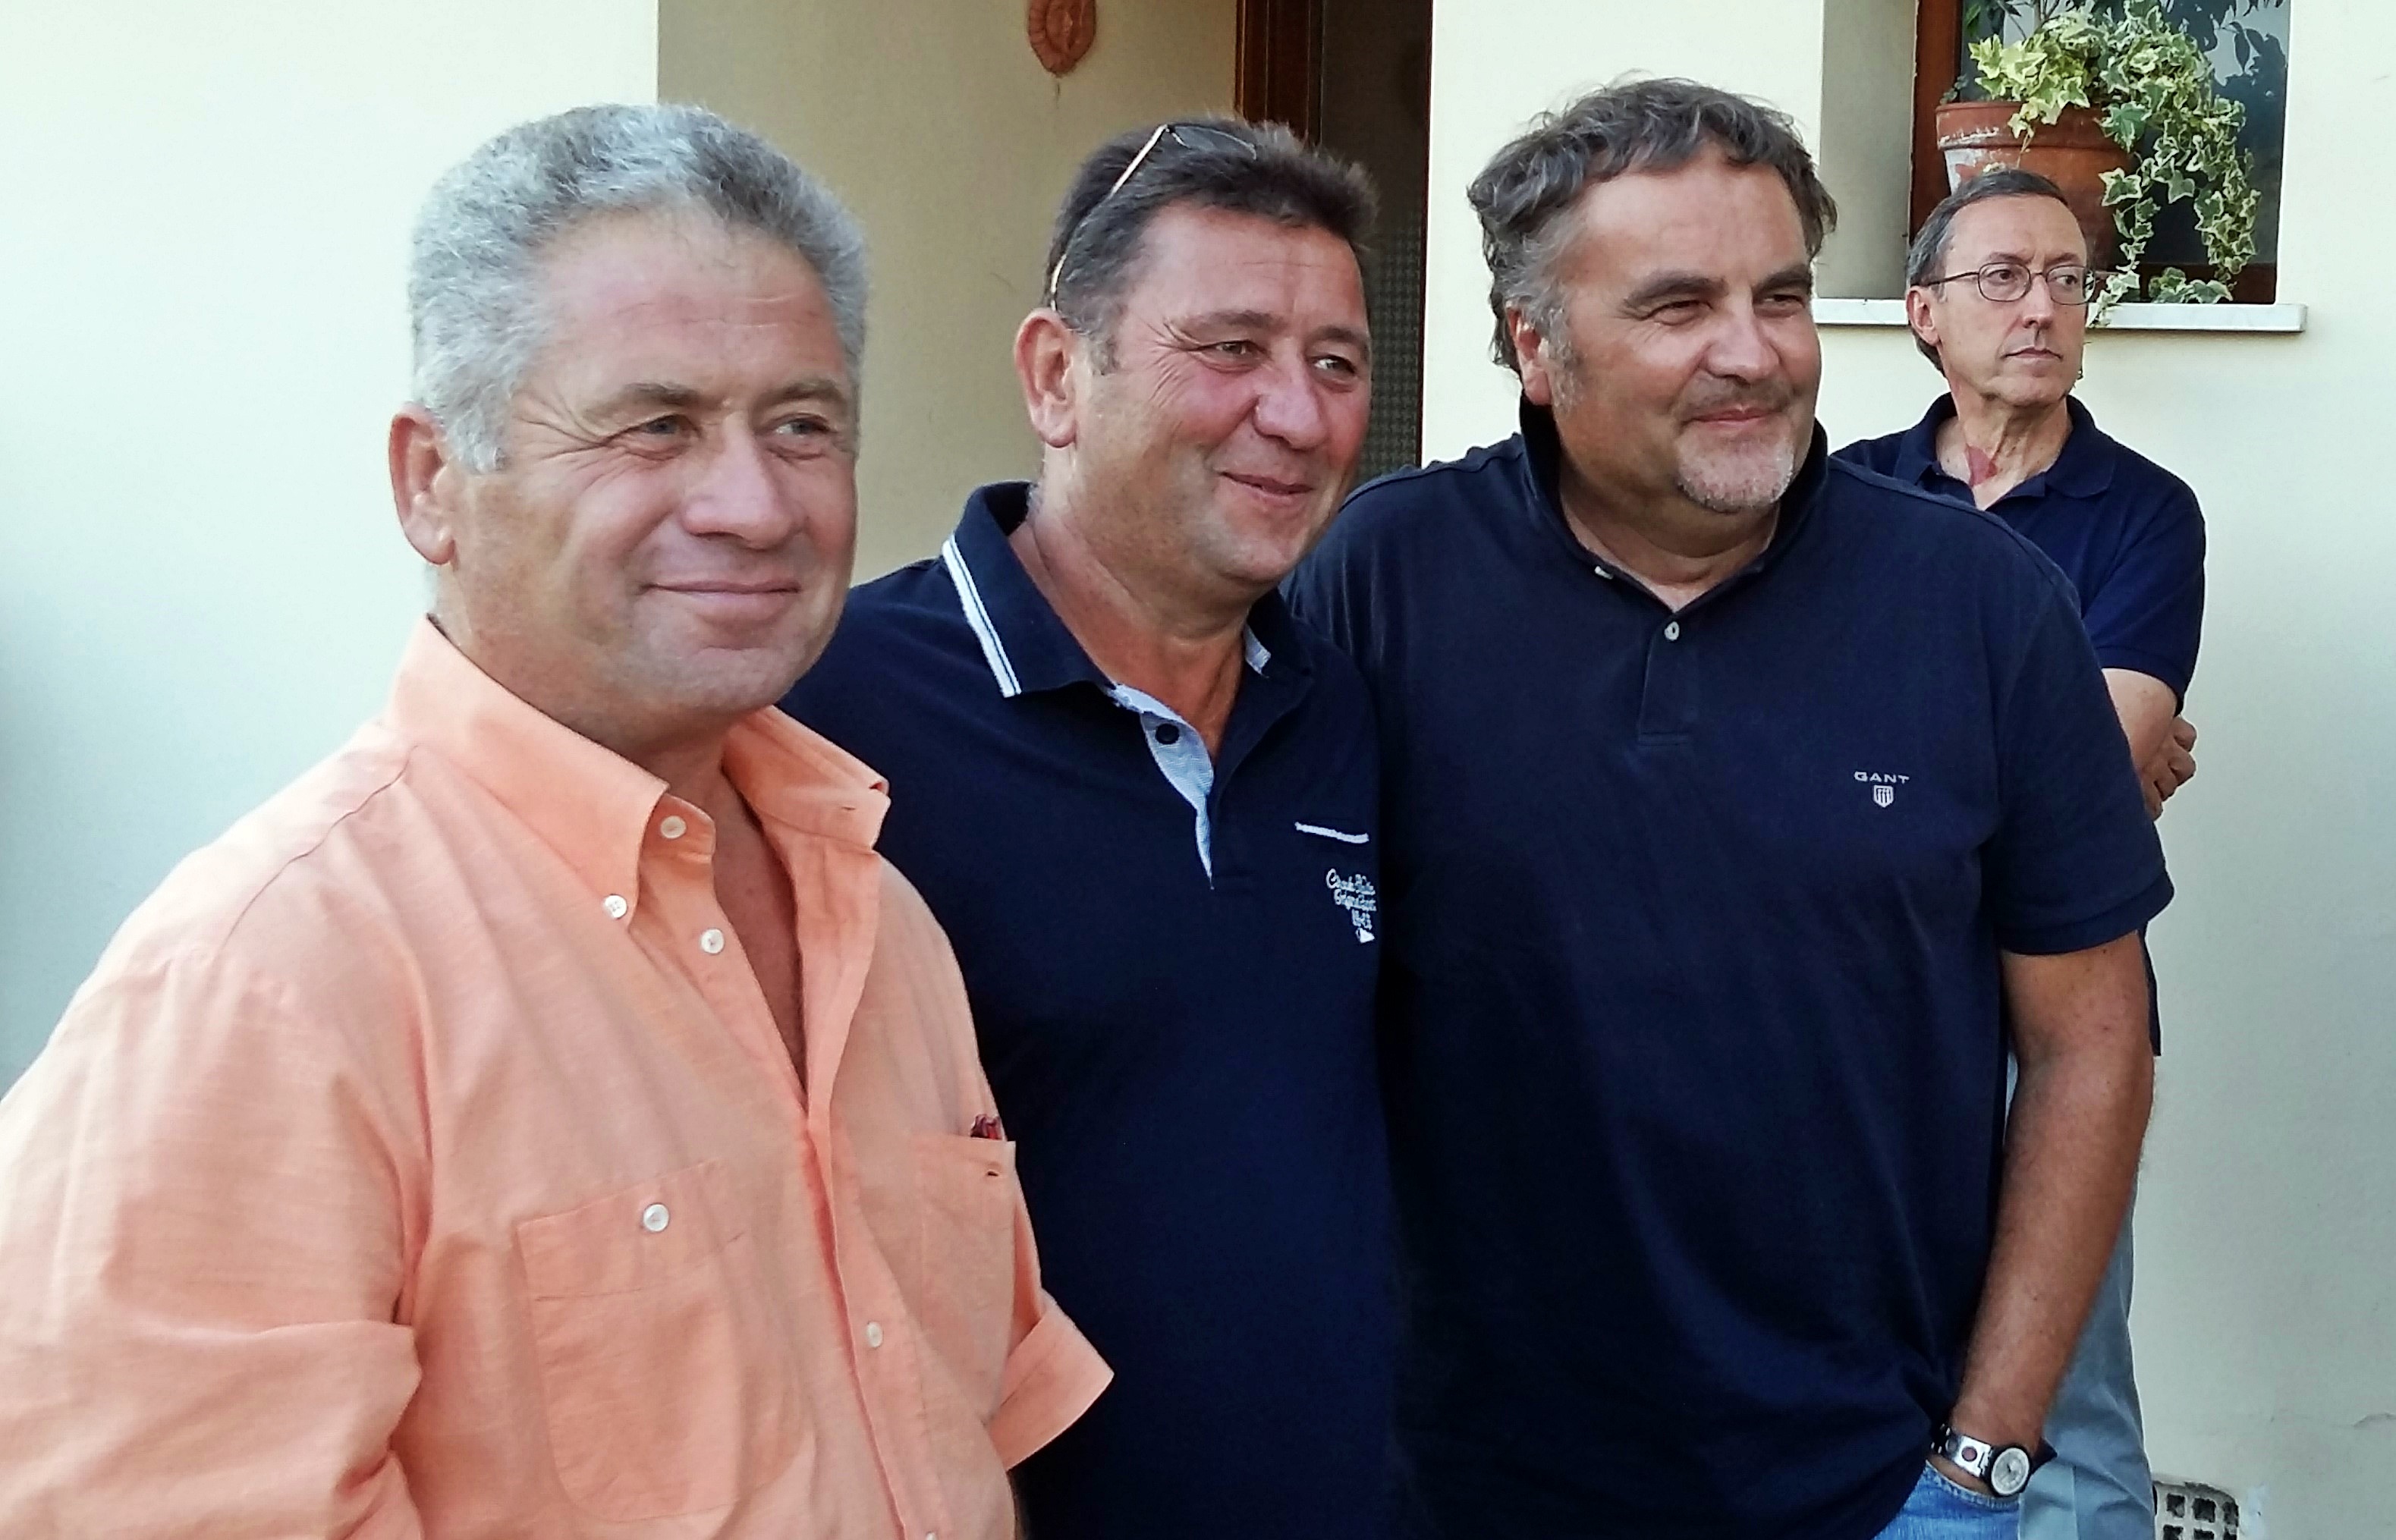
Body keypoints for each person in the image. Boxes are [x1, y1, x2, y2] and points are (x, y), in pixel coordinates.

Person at [0, 104, 1105, 1538]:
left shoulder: (877, 917)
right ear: (432, 484)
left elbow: (966, 1430)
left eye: (801, 425)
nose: (753, 505)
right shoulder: (265, 983)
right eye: (655, 426)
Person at [1288, 79, 2168, 1538]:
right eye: (1677, 305)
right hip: (1462, 1486)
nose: (1751, 353)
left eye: (1780, 295)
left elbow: (2090, 1042)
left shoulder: (1982, 605)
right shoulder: (1384, 580)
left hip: (1869, 1486)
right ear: (1534, 346)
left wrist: (1985, 1456)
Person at [783, 118, 1396, 1540]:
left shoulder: (1343, 711)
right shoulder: (826, 716)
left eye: (1335, 363)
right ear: (1057, 376)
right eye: (1230, 349)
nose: (1297, 415)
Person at [1838, 166, 2209, 1540]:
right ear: (1922, 314)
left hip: (2054, 1021)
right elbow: (1762, 748)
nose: (2041, 305)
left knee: (2065, 1401)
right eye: (2001, 276)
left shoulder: (2143, 512)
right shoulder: (1836, 496)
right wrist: (2034, 759)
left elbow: (2102, 764)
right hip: (1857, 1002)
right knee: (1850, 1365)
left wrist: (1884, 767)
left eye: (2065, 277)